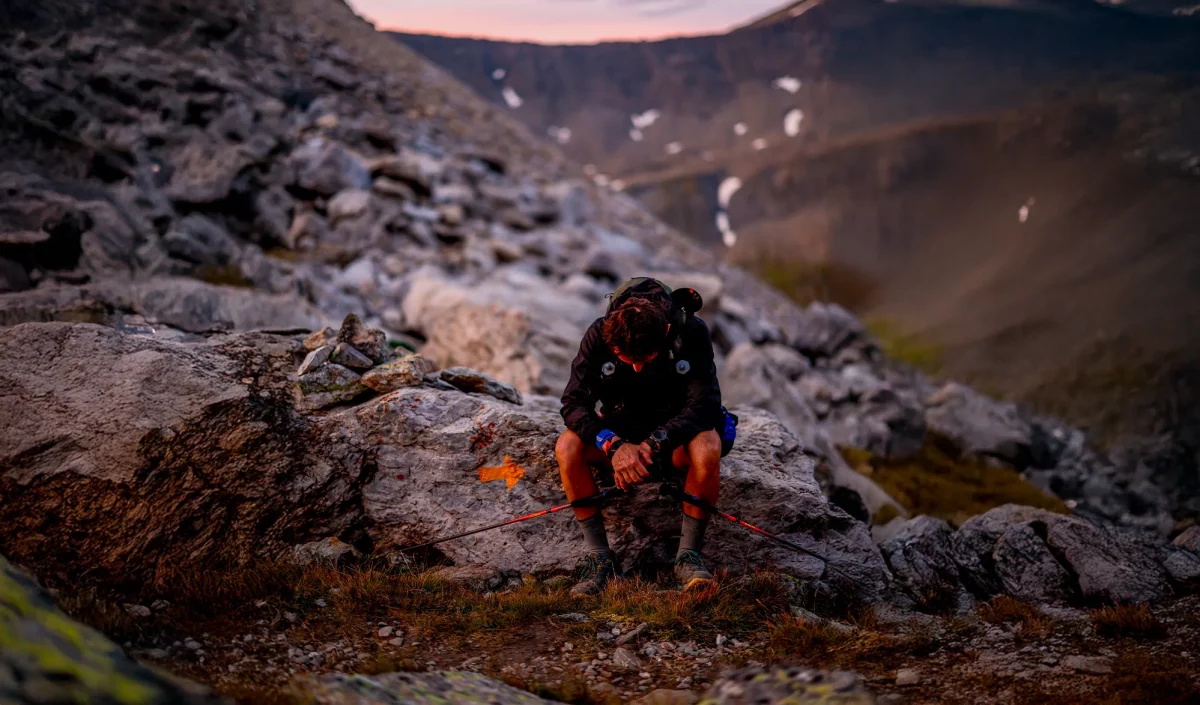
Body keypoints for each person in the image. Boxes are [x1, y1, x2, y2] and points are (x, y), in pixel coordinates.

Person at [556, 278, 736, 595]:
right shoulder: (600, 333)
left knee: (708, 446)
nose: (637, 368)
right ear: (612, 343)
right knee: (567, 446)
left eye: (646, 359)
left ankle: (688, 557)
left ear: (665, 333)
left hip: (675, 435)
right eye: (627, 360)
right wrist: (613, 445)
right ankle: (599, 557)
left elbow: (705, 406)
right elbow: (573, 403)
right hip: (621, 427)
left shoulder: (690, 332)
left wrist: (652, 444)